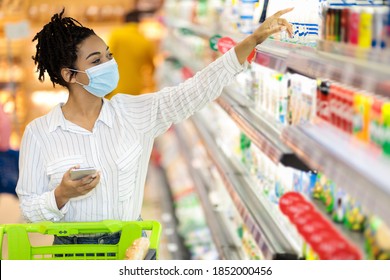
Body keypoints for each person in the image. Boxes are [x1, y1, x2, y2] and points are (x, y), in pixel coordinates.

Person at [16, 8, 293, 245]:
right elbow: (28, 211)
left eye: (108, 56)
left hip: (129, 249)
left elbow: (194, 91)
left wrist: (253, 40)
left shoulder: (133, 113)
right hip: (71, 254)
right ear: (69, 75)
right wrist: (62, 194)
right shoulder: (40, 133)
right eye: (96, 61)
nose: (109, 65)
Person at [105, 9, 156, 98]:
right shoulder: (145, 41)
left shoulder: (116, 35)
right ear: (139, 22)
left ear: (124, 20)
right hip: (134, 88)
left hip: (114, 86)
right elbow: (151, 67)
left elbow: (106, 58)